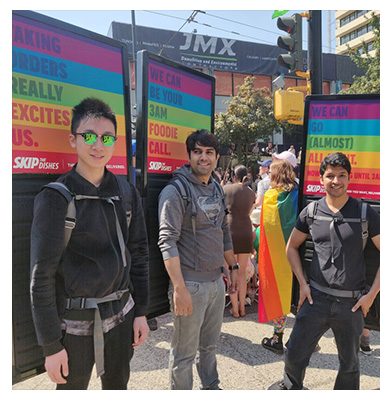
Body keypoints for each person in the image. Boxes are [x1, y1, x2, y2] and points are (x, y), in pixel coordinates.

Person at [30, 98, 150, 389]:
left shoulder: (126, 192)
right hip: (73, 327)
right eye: (89, 136)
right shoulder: (56, 198)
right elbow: (40, 278)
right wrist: (50, 346)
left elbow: (140, 254)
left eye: (107, 138)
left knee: (118, 388)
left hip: (122, 317)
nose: (98, 146)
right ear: (73, 139)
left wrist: (142, 312)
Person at [270, 152, 380, 390]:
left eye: (341, 175)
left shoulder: (364, 213)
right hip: (315, 299)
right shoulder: (311, 212)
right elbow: (291, 247)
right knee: (294, 355)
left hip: (351, 303)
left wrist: (371, 296)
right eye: (330, 175)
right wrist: (303, 284)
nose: (335, 181)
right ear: (321, 179)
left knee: (349, 365)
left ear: (349, 179)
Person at [158, 130, 239, 390]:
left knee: (210, 347)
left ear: (216, 157)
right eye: (198, 152)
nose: (203, 157)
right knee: (184, 353)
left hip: (216, 281)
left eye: (209, 152)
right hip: (190, 285)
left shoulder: (216, 186)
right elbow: (167, 241)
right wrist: (180, 289)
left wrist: (234, 267)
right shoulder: (175, 191)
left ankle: (211, 387)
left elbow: (223, 230)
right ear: (190, 155)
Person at [258, 160, 302, 354]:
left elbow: (266, 230)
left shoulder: (269, 196)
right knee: (300, 294)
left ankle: (277, 338)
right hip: (298, 254)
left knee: (279, 295)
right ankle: (305, 339)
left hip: (276, 259)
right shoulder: (299, 195)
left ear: (274, 175)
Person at [223, 165, 255, 318]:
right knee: (242, 273)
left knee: (231, 272)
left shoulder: (226, 189)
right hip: (246, 231)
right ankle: (243, 307)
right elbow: (249, 213)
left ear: (234, 176)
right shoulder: (251, 193)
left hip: (230, 232)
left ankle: (234, 309)